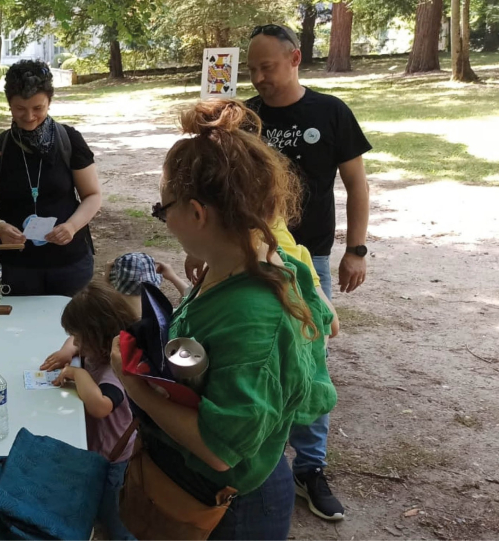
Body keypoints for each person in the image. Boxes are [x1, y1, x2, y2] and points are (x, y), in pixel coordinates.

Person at [112, 99, 335, 540]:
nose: (165, 221)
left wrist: (133, 383)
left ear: (197, 213)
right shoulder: (232, 266)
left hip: (231, 508)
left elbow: (219, 449)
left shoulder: (256, 316)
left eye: (163, 210)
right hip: (194, 484)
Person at [244, 23, 371, 521]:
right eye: (252, 69)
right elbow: (228, 188)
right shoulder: (245, 118)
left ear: (295, 59)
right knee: (258, 356)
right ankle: (263, 459)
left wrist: (355, 249)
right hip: (252, 255)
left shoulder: (331, 112)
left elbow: (356, 185)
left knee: (308, 361)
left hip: (310, 259)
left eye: (267, 67)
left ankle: (310, 468)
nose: (258, 77)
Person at [0, 59, 102, 297]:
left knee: (73, 330)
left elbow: (92, 195)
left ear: (49, 103)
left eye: (38, 108)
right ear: (9, 104)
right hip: (16, 266)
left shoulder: (70, 140)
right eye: (20, 109)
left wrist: (72, 226)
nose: (29, 116)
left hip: (69, 263)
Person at [52, 282, 139, 541]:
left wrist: (78, 373)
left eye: (80, 339)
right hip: (102, 450)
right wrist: (70, 348)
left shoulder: (115, 367)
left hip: (116, 458)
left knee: (116, 517)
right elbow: (74, 339)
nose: (76, 342)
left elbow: (101, 406)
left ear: (97, 335)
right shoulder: (100, 348)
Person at [40, 252, 187, 372]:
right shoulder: (165, 316)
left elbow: (83, 334)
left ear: (112, 284)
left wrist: (67, 351)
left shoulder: (111, 314)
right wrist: (173, 277)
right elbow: (192, 298)